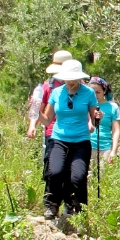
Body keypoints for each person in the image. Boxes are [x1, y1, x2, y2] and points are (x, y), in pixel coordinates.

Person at [38, 59, 101, 226]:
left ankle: (78, 210)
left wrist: (95, 120)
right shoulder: (56, 93)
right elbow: (47, 119)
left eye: (73, 78)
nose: (70, 81)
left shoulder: (88, 93)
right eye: (67, 77)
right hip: (59, 139)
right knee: (55, 172)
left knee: (78, 178)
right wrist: (36, 113)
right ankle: (52, 205)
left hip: (81, 141)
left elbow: (93, 120)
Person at [28, 50, 71, 216]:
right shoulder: (47, 87)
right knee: (52, 170)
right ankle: (51, 205)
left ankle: (69, 204)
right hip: (52, 132)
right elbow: (37, 108)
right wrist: (32, 125)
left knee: (69, 170)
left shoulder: (80, 86)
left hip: (74, 134)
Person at [88, 77, 120, 164]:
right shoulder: (86, 105)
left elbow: (116, 130)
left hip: (105, 148)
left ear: (104, 91)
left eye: (98, 92)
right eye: (92, 92)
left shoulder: (113, 107)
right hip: (87, 146)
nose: (95, 95)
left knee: (104, 176)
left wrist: (114, 151)